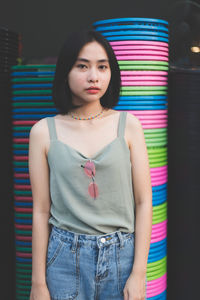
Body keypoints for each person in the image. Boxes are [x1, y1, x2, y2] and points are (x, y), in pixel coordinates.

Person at [29, 29, 152, 300]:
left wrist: (139, 273)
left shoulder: (128, 126)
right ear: (66, 71)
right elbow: (40, 211)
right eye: (82, 66)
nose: (94, 76)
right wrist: (38, 283)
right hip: (63, 259)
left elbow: (144, 202)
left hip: (122, 257)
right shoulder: (43, 132)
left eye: (102, 67)